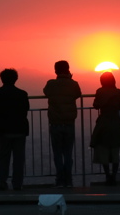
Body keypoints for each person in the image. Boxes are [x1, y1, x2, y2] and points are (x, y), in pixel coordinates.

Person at [0, 68, 30, 191]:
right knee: (18, 158)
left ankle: (2, 181)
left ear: (2, 79)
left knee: (3, 157)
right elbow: (26, 108)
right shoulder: (22, 94)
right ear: (16, 79)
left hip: (4, 130)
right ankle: (17, 183)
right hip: (20, 129)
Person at [43, 60, 82, 188]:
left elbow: (46, 92)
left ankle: (60, 179)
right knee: (68, 153)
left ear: (55, 71)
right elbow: (77, 94)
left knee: (57, 154)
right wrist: (70, 79)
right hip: (69, 123)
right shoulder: (74, 84)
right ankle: (69, 180)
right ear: (68, 69)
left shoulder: (51, 84)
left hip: (55, 124)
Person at [91, 71, 120, 186]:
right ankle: (114, 177)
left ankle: (107, 176)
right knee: (115, 151)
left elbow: (95, 105)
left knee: (104, 150)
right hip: (116, 123)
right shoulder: (119, 92)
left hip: (104, 123)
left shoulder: (100, 91)